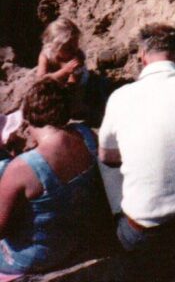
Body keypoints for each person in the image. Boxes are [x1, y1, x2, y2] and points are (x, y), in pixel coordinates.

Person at [98, 23, 175, 276]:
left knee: (104, 158)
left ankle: (107, 234)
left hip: (144, 232)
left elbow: (107, 156)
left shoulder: (120, 97)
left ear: (142, 56)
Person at [0, 80, 102, 275]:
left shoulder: (23, 167)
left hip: (35, 255)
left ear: (27, 119)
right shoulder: (85, 134)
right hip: (73, 239)